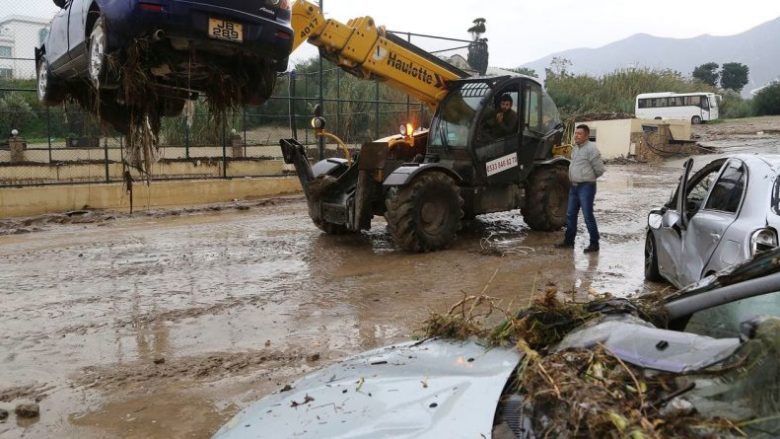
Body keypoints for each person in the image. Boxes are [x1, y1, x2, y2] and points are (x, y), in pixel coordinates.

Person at [556, 124, 605, 253]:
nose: (576, 136)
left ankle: (594, 244)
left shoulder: (592, 149)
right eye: (575, 133)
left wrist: (587, 178)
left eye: (579, 134)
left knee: (588, 215)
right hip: (574, 187)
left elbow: (599, 170)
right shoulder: (575, 149)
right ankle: (569, 241)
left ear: (587, 136)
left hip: (586, 187)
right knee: (570, 215)